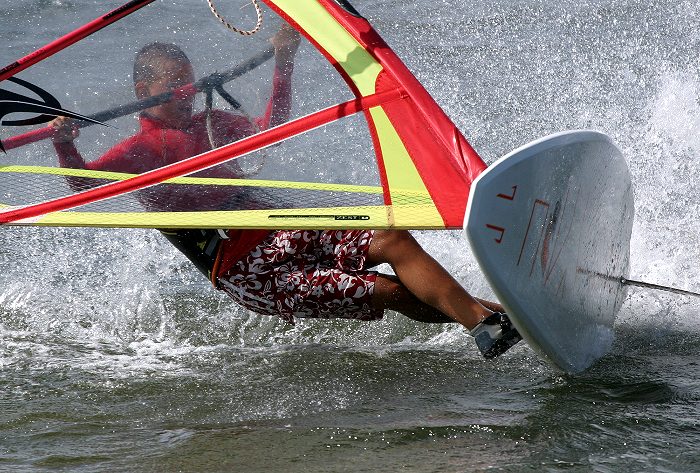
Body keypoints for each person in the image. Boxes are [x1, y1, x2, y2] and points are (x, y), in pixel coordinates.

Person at [51, 25, 522, 358]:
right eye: (175, 83)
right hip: (245, 268)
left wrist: (285, 61)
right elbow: (81, 186)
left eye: (188, 79)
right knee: (390, 292)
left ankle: (488, 324)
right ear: (143, 89)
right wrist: (64, 143)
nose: (188, 90)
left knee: (392, 238)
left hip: (280, 226)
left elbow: (272, 125)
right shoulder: (138, 150)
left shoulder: (213, 122)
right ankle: (500, 321)